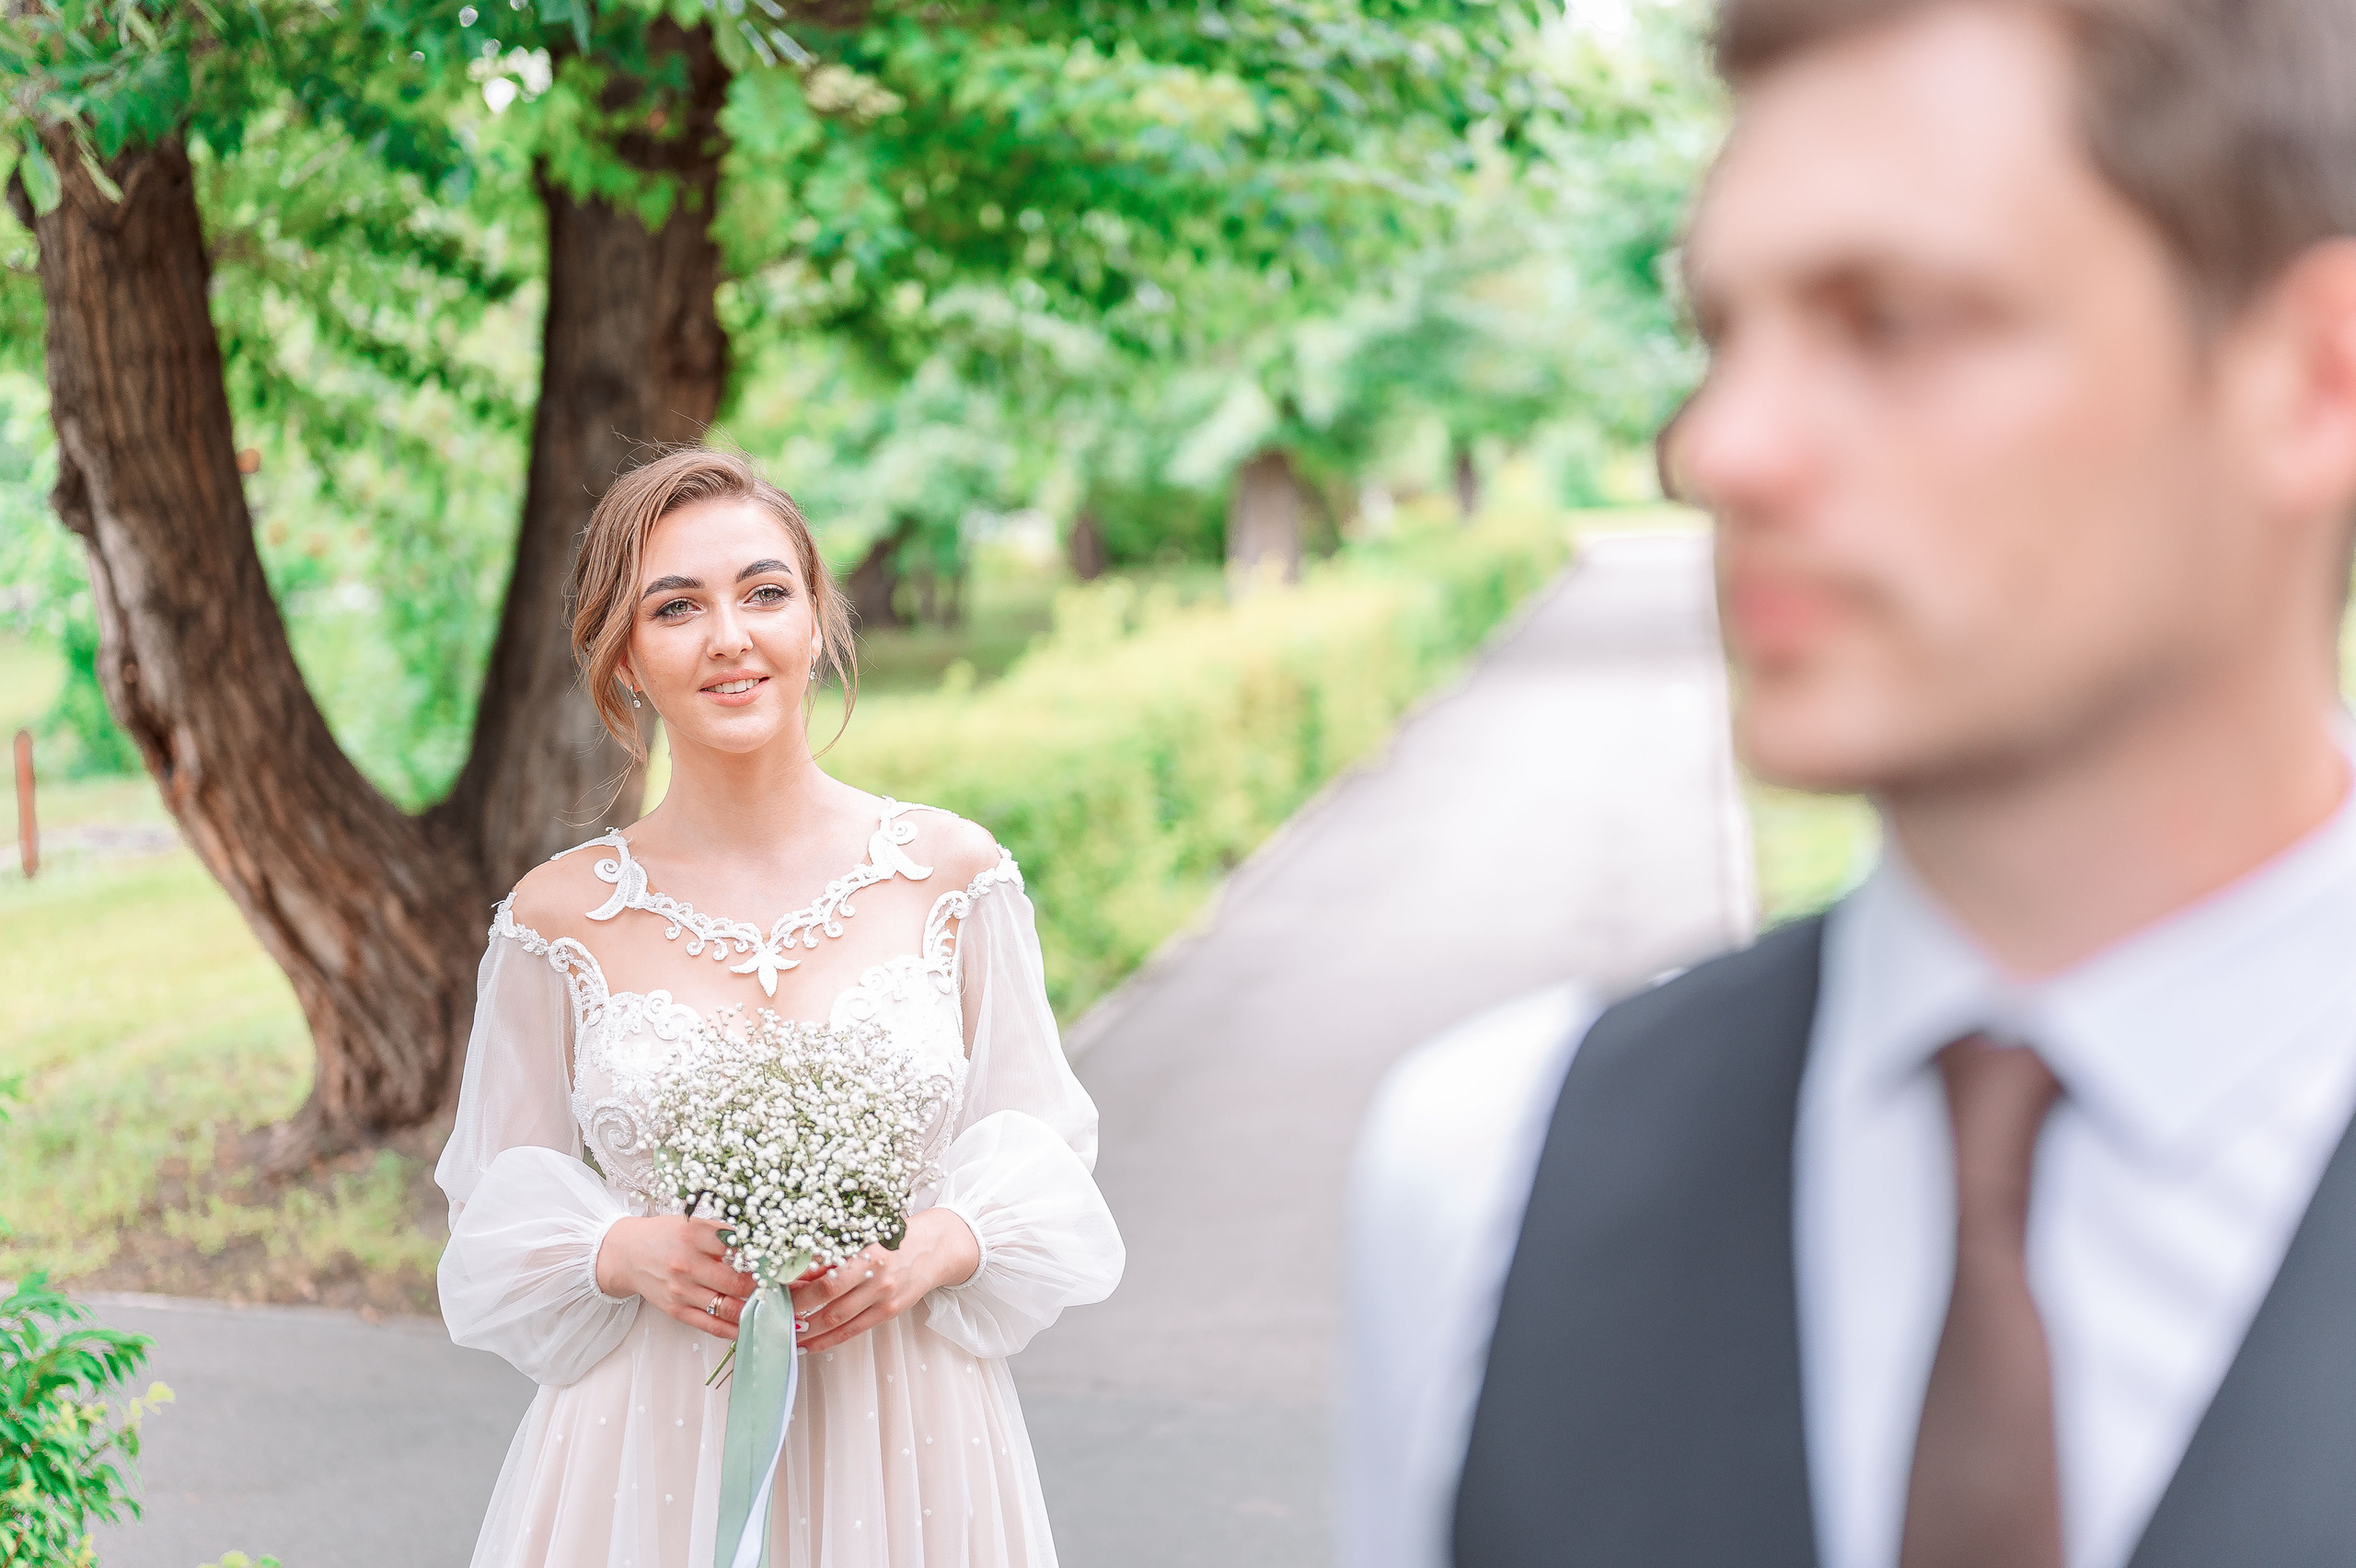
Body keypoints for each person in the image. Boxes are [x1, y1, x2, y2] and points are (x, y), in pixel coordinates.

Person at [1345, 1, 2356, 1565]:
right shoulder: (1488, 1171)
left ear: (2314, 379)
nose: (1721, 447)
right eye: (1721, 336)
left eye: (1892, 322)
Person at [434, 447, 1124, 1568]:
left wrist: (937, 1244)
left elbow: (1043, 1144)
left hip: (909, 1429)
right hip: (654, 1435)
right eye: (675, 607)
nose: (729, 636)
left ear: (815, 621)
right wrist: (623, 1250)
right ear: (622, 658)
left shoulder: (953, 874)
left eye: (763, 592)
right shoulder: (555, 919)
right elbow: (492, 1220)